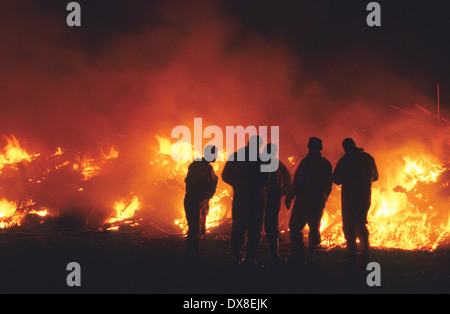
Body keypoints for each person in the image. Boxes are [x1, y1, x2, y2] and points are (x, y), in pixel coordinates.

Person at [222, 135, 269, 268]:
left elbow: (225, 175)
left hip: (242, 197)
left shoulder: (237, 156)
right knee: (254, 229)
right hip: (256, 198)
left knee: (239, 228)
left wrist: (238, 184)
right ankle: (249, 259)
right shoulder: (262, 159)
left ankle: (237, 258)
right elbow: (266, 179)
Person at [285, 137, 332, 264]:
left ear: (309, 147)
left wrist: (290, 196)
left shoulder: (305, 163)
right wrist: (323, 198)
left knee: (295, 227)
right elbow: (329, 186)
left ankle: (298, 256)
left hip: (304, 200)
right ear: (320, 148)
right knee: (314, 227)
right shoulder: (326, 164)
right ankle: (312, 255)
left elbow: (297, 182)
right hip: (317, 201)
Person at [332, 138, 378, 264]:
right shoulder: (368, 158)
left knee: (349, 224)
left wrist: (349, 179)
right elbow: (376, 177)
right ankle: (365, 250)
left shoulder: (345, 160)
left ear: (345, 148)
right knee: (361, 222)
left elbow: (336, 178)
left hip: (349, 196)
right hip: (365, 196)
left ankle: (351, 252)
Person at [183, 145, 219, 261]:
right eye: (214, 153)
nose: (216, 156)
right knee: (194, 229)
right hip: (194, 201)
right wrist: (202, 194)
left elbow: (213, 181)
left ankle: (195, 254)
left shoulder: (209, 168)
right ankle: (189, 256)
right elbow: (191, 184)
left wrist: (208, 195)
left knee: (200, 229)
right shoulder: (196, 166)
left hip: (203, 201)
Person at [263, 143, 291, 263]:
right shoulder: (261, 163)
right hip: (261, 199)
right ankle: (250, 256)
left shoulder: (277, 164)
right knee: (257, 226)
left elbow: (287, 178)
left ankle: (275, 255)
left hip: (271, 199)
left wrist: (282, 192)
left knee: (271, 226)